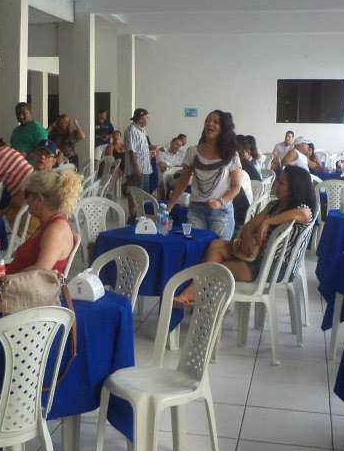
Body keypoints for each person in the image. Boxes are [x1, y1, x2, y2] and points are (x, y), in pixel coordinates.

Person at [173, 165, 316, 307]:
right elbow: (250, 225)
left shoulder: (303, 208)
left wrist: (267, 222)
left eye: (282, 183)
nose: (276, 184)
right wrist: (248, 237)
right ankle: (197, 295)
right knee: (216, 245)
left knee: (219, 269)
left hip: (276, 266)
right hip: (257, 256)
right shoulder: (275, 205)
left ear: (294, 188)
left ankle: (196, 296)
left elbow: (303, 215)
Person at [166, 110, 242, 239]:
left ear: (223, 128)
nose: (210, 124)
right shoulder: (192, 152)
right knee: (196, 248)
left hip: (221, 212)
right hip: (196, 211)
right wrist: (168, 208)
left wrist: (220, 202)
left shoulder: (231, 154)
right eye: (207, 121)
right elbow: (182, 183)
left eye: (215, 122)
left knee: (218, 249)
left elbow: (236, 186)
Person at [5, 170, 82, 275]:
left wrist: (3, 279)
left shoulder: (56, 230)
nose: (26, 200)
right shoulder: (48, 223)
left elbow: (40, 270)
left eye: (27, 194)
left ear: (39, 199)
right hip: (14, 279)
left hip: (19, 283)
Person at [122, 108, 152, 210]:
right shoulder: (131, 131)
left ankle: (141, 213)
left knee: (143, 194)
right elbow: (132, 152)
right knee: (134, 192)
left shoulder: (142, 130)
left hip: (145, 168)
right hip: (137, 169)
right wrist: (136, 169)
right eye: (146, 118)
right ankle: (133, 214)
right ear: (140, 119)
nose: (148, 120)